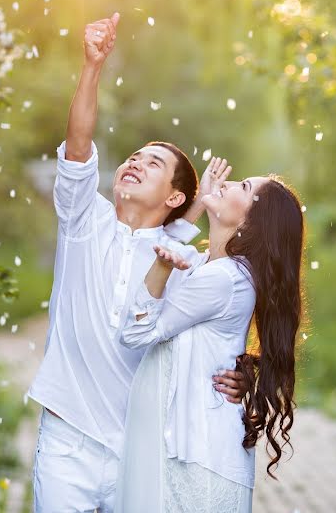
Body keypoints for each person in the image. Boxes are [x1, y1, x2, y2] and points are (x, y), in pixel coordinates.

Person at [27, 13, 247, 512]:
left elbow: (222, 319)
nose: (133, 163)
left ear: (172, 197)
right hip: (68, 435)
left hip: (144, 445)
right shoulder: (84, 219)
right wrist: (92, 66)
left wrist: (244, 371)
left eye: (153, 163)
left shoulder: (180, 257)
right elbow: (79, 144)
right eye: (133, 156)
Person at [117, 173, 306, 512]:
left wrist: (162, 267)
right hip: (193, 448)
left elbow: (135, 333)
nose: (229, 184)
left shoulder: (223, 277)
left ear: (251, 223)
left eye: (243, 188)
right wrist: (246, 364)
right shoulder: (208, 267)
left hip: (199, 456)